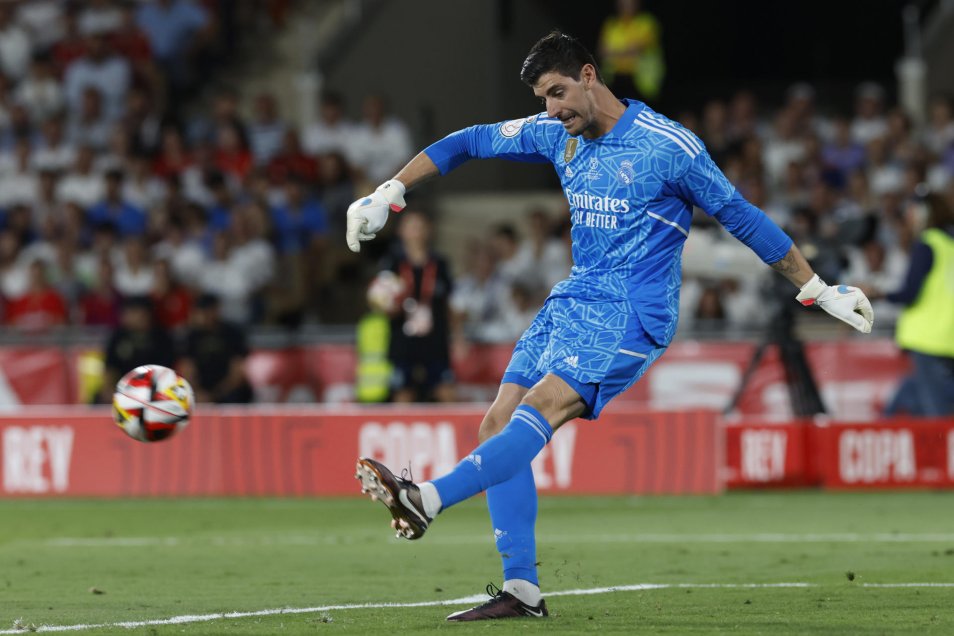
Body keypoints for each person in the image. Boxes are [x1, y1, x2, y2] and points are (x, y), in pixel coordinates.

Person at [346, 31, 874, 622]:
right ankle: (522, 591)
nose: (551, 110)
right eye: (544, 98)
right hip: (575, 298)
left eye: (558, 92)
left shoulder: (667, 147)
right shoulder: (556, 134)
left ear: (590, 75)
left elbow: (740, 216)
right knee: (495, 420)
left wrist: (816, 287)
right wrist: (389, 190)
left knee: (541, 406)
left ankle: (428, 498)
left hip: (633, 311)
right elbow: (468, 142)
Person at [874, 192, 954, 416]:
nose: (909, 219)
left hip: (928, 339)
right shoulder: (949, 245)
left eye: (911, 212)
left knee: (936, 418)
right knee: (909, 399)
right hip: (948, 340)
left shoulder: (928, 244)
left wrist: (877, 293)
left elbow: (910, 293)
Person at [375, 209, 456, 403]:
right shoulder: (391, 263)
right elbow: (378, 300)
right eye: (411, 227)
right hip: (403, 341)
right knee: (403, 393)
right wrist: (389, 306)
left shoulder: (440, 263)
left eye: (420, 227)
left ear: (429, 230)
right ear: (400, 231)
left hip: (435, 341)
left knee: (446, 392)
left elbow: (449, 303)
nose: (416, 232)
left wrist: (458, 335)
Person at [178, 292, 253, 403]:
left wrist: (217, 394)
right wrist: (197, 392)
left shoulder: (232, 333)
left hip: (228, 390)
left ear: (216, 310)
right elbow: (187, 368)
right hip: (200, 391)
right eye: (201, 311)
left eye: (208, 311)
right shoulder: (191, 336)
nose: (204, 315)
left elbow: (238, 370)